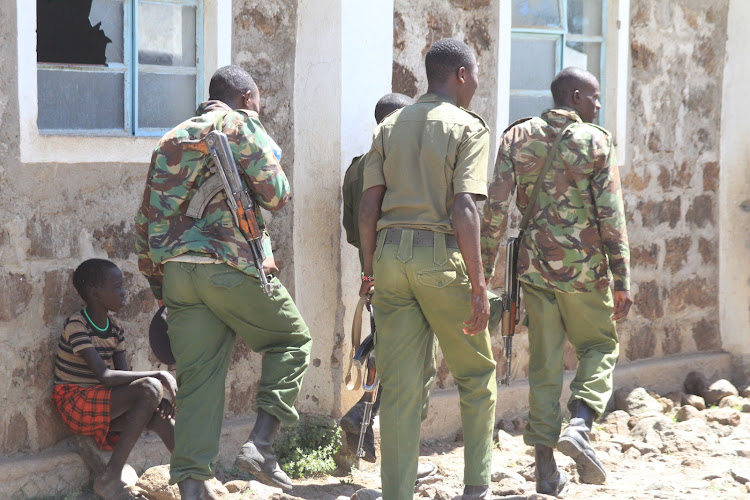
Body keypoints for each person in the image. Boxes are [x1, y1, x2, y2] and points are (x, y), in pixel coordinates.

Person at [135, 65, 311, 499]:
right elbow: (277, 194)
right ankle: (263, 446)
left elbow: (145, 220)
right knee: (292, 340)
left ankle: (194, 484)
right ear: (248, 97)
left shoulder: (170, 138)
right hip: (229, 264)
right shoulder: (240, 124)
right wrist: (259, 135)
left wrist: (163, 296)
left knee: (198, 380)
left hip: (177, 273)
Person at [480, 66, 633, 495]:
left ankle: (546, 470)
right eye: (595, 96)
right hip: (585, 272)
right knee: (600, 345)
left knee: (544, 366)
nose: (599, 105)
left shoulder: (517, 137)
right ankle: (581, 425)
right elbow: (611, 216)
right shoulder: (596, 140)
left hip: (535, 272)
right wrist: (622, 279)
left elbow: (494, 208)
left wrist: (484, 273)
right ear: (576, 96)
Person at [359, 38, 497, 500]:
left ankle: (397, 494)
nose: (477, 82)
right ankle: (476, 487)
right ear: (461, 74)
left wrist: (368, 274)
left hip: (389, 259)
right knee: (476, 375)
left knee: (399, 388)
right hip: (439, 257)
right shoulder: (470, 127)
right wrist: (479, 285)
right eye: (476, 73)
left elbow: (367, 207)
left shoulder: (390, 125)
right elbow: (465, 208)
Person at [340, 92, 438, 478]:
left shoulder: (357, 167)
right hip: (409, 269)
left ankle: (363, 414)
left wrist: (370, 268)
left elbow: (354, 226)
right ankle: (402, 460)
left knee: (390, 353)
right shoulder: (405, 165)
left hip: (376, 269)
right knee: (418, 365)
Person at [51, 258, 176, 500]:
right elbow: (105, 377)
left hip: (102, 403)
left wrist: (156, 400)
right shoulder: (77, 324)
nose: (123, 292)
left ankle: (193, 478)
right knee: (150, 387)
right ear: (95, 293)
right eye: (116, 287)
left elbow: (127, 382)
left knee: (159, 412)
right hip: (75, 402)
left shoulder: (115, 328)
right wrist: (159, 375)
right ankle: (111, 476)